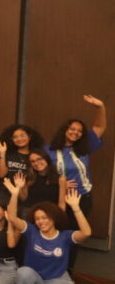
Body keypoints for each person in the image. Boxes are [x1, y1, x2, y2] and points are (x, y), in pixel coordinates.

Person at [4, 176, 91, 284]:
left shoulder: (65, 236)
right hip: (38, 280)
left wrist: (76, 208)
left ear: (53, 218)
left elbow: (86, 233)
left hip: (58, 279)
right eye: (38, 218)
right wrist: (14, 193)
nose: (41, 221)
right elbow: (13, 218)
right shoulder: (32, 231)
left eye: (44, 217)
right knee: (23, 272)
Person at [45, 95, 105, 270]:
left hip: (81, 200)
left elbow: (100, 127)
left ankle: (67, 271)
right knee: (53, 234)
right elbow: (39, 172)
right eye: (72, 129)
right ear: (65, 130)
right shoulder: (49, 150)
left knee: (73, 237)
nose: (75, 133)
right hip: (57, 200)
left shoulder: (84, 148)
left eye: (79, 131)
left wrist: (100, 106)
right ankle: (49, 268)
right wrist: (59, 184)